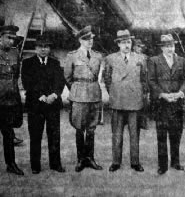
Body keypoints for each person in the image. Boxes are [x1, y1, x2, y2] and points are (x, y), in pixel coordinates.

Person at [21, 34, 65, 174]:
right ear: (35, 48)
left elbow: (60, 82)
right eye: (40, 47)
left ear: (49, 48)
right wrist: (40, 96)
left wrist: (54, 95)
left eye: (46, 47)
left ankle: (55, 164)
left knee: (54, 136)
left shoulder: (55, 63)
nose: (43, 49)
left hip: (53, 105)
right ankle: (35, 165)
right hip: (35, 105)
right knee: (35, 136)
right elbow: (27, 83)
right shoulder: (27, 63)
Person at [148, 34, 185, 175]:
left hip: (177, 104)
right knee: (162, 136)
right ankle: (162, 165)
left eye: (171, 46)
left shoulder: (182, 61)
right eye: (166, 46)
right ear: (162, 48)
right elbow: (151, 81)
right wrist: (163, 94)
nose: (169, 49)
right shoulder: (154, 61)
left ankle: (176, 162)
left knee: (176, 134)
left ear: (174, 46)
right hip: (162, 104)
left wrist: (180, 93)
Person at [104, 30, 145, 172]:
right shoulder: (110, 59)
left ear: (131, 43)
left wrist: (140, 94)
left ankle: (135, 162)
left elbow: (145, 79)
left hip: (135, 102)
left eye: (128, 42)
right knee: (117, 134)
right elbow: (107, 79)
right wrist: (115, 93)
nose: (126, 45)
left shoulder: (141, 58)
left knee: (134, 134)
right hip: (118, 101)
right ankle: (116, 162)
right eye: (123, 42)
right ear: (118, 44)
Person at [64, 26, 103, 172]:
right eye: (87, 39)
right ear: (80, 40)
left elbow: (97, 74)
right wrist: (76, 90)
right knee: (79, 128)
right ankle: (81, 159)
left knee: (92, 129)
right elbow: (68, 77)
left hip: (94, 94)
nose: (90, 41)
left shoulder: (98, 56)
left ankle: (90, 158)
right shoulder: (72, 56)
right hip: (79, 96)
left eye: (92, 38)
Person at [0, 25, 24, 175]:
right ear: (1, 37)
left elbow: (17, 75)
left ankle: (11, 164)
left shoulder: (16, 53)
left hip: (9, 100)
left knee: (8, 133)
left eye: (13, 38)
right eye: (8, 38)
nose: (11, 41)